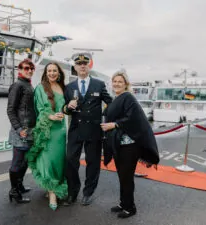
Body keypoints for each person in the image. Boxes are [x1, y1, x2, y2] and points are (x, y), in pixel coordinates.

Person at [101, 70, 160, 218]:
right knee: (122, 176)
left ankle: (130, 208)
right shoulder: (118, 98)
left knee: (126, 177)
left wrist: (114, 125)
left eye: (120, 81)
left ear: (126, 84)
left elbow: (133, 118)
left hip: (129, 145)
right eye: (114, 81)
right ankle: (123, 203)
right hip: (120, 145)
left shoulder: (128, 97)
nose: (117, 84)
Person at [62, 52, 112, 206]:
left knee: (93, 162)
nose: (82, 66)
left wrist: (106, 118)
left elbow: (110, 103)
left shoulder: (99, 84)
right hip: (76, 129)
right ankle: (73, 191)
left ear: (89, 66)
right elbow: (63, 108)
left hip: (93, 129)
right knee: (70, 160)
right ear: (75, 67)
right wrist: (67, 107)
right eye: (79, 64)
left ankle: (88, 192)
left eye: (85, 63)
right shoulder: (69, 87)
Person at [26, 62, 68, 211]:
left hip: (61, 131)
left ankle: (54, 187)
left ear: (59, 73)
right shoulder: (40, 88)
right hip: (48, 130)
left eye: (54, 71)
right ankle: (51, 193)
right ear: (45, 72)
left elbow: (65, 108)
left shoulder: (63, 88)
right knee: (48, 161)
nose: (52, 73)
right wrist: (51, 116)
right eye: (49, 70)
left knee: (59, 162)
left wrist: (67, 110)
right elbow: (40, 109)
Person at [6, 58, 37, 204]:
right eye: (26, 68)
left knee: (25, 163)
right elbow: (11, 110)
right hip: (21, 132)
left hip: (29, 131)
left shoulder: (28, 85)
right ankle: (14, 192)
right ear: (20, 70)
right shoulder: (17, 85)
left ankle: (20, 186)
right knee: (17, 164)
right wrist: (19, 129)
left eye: (31, 68)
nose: (29, 70)